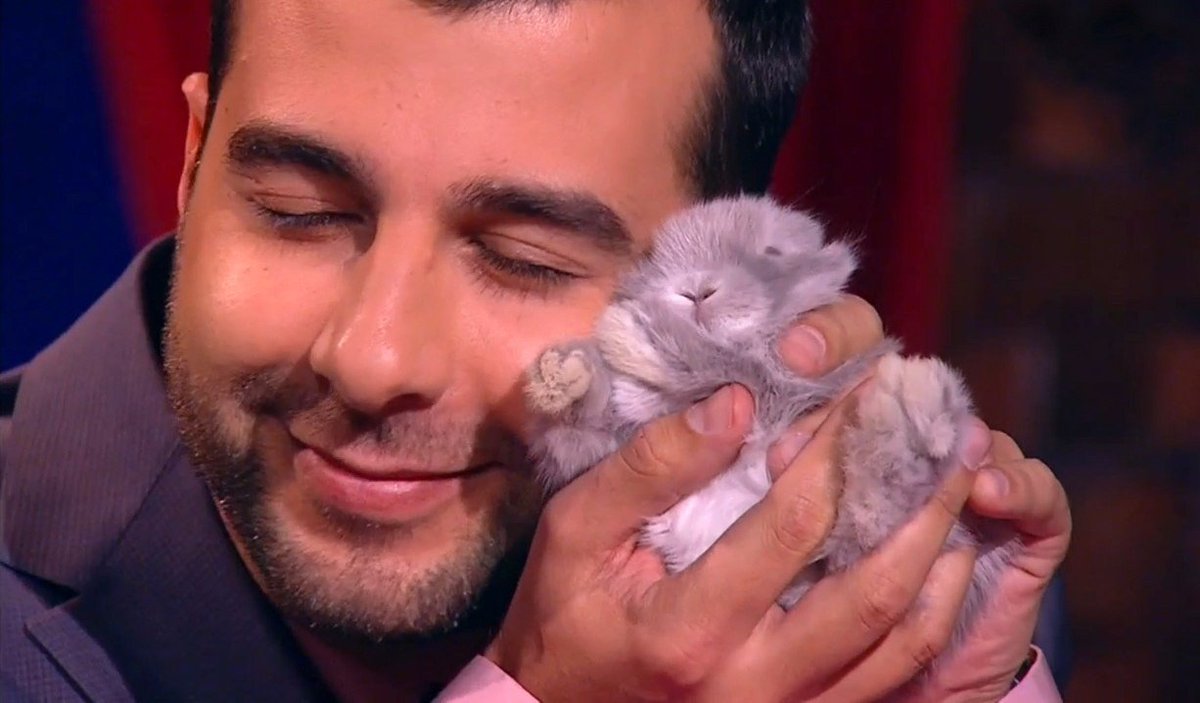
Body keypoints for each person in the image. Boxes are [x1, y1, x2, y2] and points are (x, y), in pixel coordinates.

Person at [0, 1, 1071, 701]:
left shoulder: (798, 596)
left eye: (522, 261)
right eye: (299, 212)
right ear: (194, 164)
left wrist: (915, 667)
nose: (373, 356)